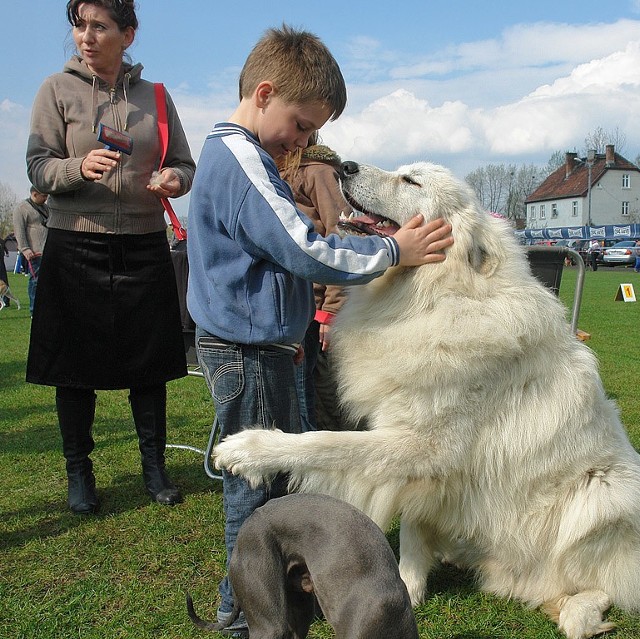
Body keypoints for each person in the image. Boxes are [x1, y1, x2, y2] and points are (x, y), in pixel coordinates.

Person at [185, 24, 452, 636]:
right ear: (265, 93)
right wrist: (393, 250)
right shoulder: (241, 159)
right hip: (247, 352)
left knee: (274, 475)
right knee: (255, 482)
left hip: (265, 347)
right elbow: (303, 248)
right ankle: (241, 612)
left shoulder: (244, 155)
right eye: (302, 126)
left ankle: (264, 597)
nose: (304, 141)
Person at [25, 0, 196, 515]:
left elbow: (184, 164)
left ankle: (155, 469)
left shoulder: (157, 98)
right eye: (80, 25)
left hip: (144, 243)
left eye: (99, 26)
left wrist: (174, 180)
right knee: (74, 369)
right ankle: (80, 473)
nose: (86, 36)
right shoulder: (56, 90)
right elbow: (38, 166)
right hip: (75, 242)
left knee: (150, 365)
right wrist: (79, 167)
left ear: (129, 33)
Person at [277, 138, 360, 432]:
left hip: (314, 314)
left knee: (317, 406)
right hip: (287, 309)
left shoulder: (317, 171)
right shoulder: (271, 170)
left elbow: (343, 236)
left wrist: (331, 310)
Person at [12, 187, 50, 314]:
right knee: (35, 281)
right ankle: (34, 310)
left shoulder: (45, 208)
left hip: (47, 251)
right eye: (44, 196)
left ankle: (45, 308)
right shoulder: (22, 208)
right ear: (34, 194)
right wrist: (25, 248)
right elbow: (19, 230)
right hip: (34, 252)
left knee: (47, 281)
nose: (46, 198)